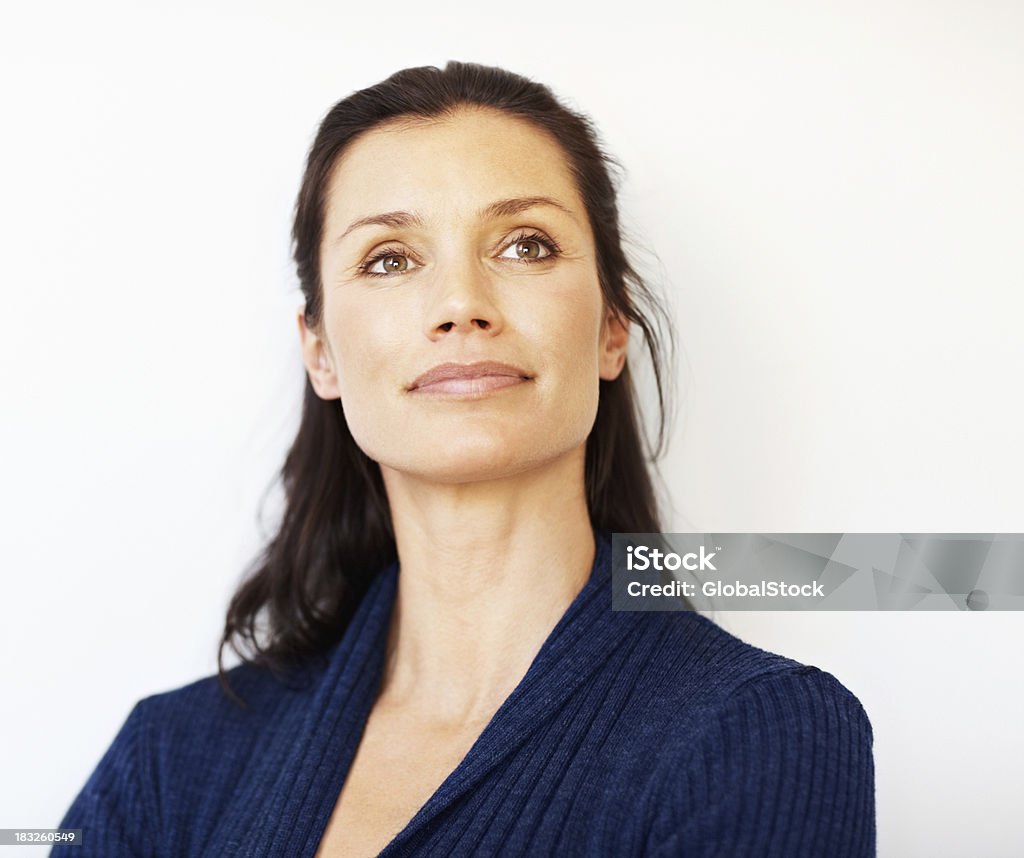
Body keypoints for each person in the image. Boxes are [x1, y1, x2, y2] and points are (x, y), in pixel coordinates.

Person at [54, 61, 875, 857]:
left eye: (524, 246)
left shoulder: (761, 734)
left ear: (610, 328)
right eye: (390, 259)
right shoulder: (167, 761)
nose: (460, 306)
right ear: (321, 353)